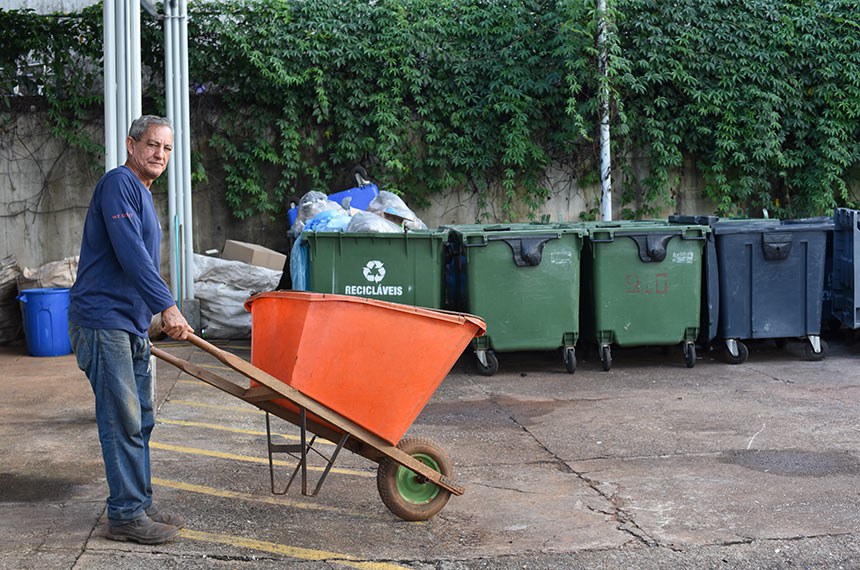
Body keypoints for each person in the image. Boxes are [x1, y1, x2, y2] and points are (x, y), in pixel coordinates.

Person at [68, 115, 194, 545]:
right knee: (122, 418)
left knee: (140, 418)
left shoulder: (141, 192)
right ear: (131, 145)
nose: (160, 154)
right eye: (153, 145)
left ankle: (138, 501)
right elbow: (132, 255)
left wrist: (150, 315)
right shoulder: (119, 184)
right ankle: (124, 514)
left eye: (167, 148)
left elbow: (139, 260)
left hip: (129, 325)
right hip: (104, 322)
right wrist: (168, 307)